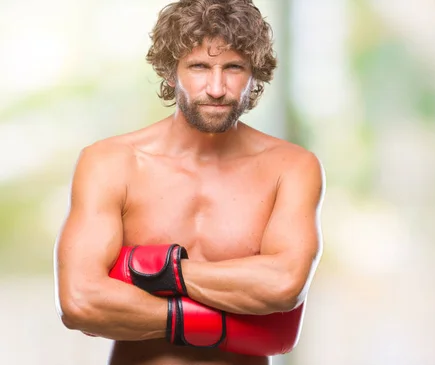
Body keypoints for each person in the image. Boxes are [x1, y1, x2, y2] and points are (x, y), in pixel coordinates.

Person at [52, 0, 325, 364]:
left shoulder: (291, 167)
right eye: (199, 66)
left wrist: (158, 272)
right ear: (170, 71)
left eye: (233, 68)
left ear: (254, 74)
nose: (216, 88)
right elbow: (80, 301)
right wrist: (219, 317)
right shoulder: (110, 163)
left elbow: (284, 284)